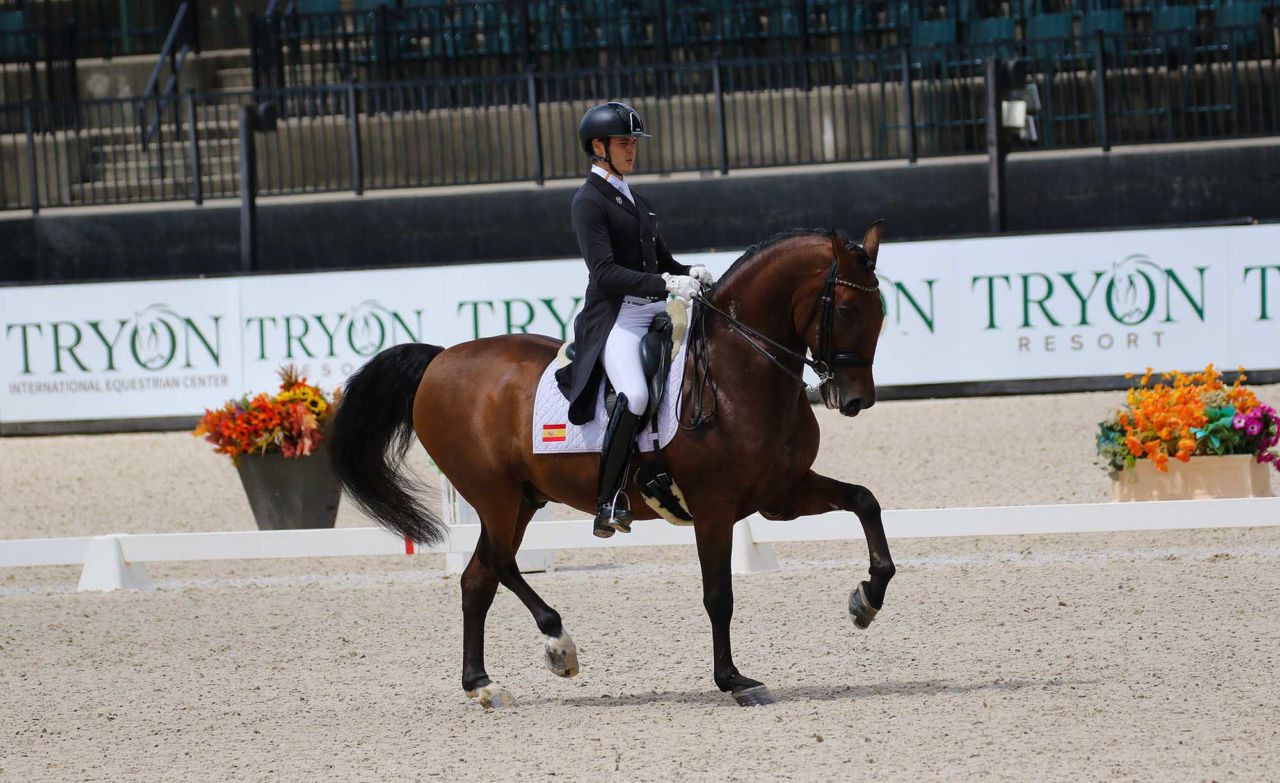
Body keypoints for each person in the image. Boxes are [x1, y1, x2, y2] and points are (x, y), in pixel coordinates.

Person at [554, 101, 714, 539]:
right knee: (637, 394)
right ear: (598, 146)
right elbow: (604, 273)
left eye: (633, 143)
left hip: (653, 313)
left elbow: (662, 261)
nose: (632, 150)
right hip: (617, 319)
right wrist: (666, 284)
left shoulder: (635, 199)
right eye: (624, 143)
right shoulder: (589, 201)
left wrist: (687, 274)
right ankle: (607, 501)